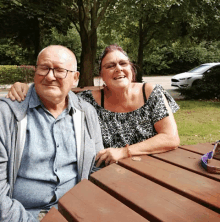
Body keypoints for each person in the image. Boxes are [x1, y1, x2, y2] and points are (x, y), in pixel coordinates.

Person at [7, 44, 180, 168]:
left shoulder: (150, 92)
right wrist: (27, 88)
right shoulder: (88, 101)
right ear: (102, 75)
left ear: (131, 69)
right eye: (110, 66)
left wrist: (124, 152)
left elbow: (171, 138)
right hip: (110, 176)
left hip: (155, 169)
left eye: (123, 63)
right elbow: (57, 88)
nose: (118, 69)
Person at [1, 45, 103, 222]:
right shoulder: (7, 113)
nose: (49, 76)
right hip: (22, 215)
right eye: (44, 68)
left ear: (75, 77)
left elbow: (96, 167)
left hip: (76, 211)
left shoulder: (87, 113)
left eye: (59, 70)